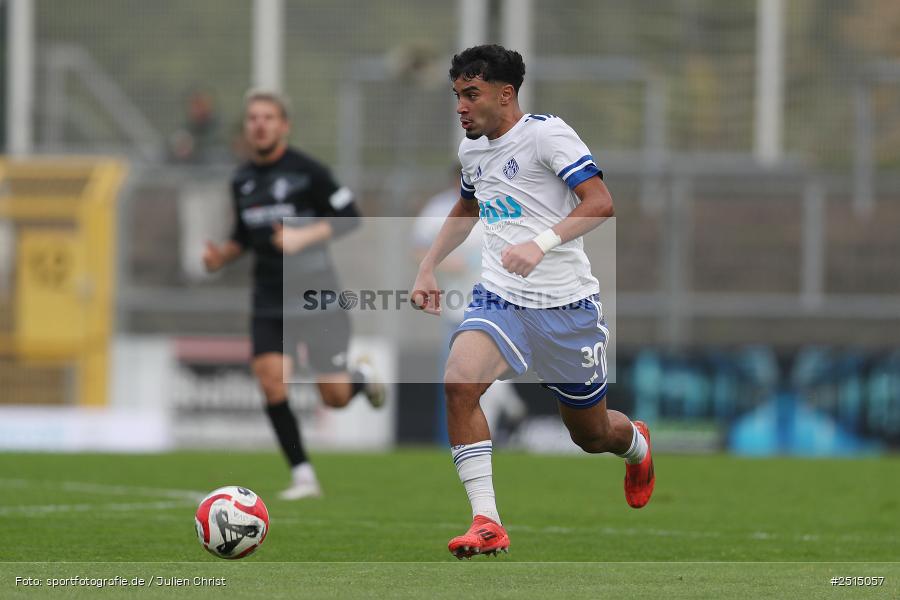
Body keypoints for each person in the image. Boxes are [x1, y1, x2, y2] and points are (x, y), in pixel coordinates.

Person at [411, 45, 655, 559]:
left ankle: (634, 442)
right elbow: (467, 206)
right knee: (458, 384)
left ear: (505, 94)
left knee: (590, 435)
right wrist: (427, 264)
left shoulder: (547, 135)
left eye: (470, 94)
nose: (460, 106)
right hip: (501, 296)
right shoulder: (472, 150)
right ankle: (487, 521)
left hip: (566, 307)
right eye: (456, 95)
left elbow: (601, 203)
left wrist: (540, 242)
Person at [203, 89, 384, 501]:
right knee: (271, 382)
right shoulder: (241, 179)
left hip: (316, 296)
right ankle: (303, 475)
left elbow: (351, 218)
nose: (260, 124)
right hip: (269, 298)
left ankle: (362, 380)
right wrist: (222, 255)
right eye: (253, 118)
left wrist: (304, 235)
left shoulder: (309, 172)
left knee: (334, 397)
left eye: (268, 117)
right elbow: (242, 237)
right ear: (247, 128)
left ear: (284, 125)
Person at [411, 167, 527, 445]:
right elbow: (418, 249)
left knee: (486, 374)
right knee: (457, 379)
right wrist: (445, 263)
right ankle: (454, 442)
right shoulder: (439, 209)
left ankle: (486, 436)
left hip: (499, 304)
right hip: (457, 307)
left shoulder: (502, 205)